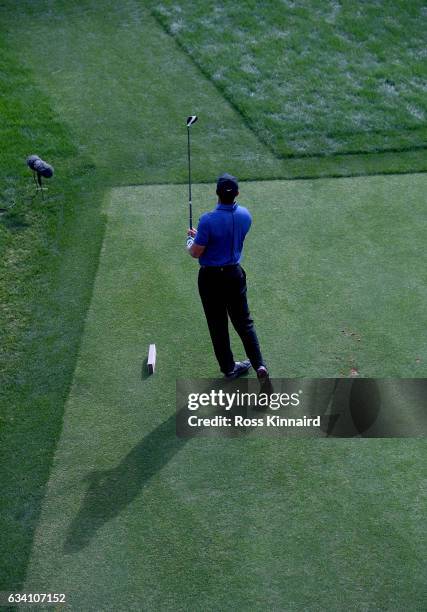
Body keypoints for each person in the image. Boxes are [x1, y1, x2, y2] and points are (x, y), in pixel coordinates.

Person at [186, 173, 268, 380]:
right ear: (237, 193)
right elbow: (225, 237)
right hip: (234, 275)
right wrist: (202, 236)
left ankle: (229, 369)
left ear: (217, 193)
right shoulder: (245, 215)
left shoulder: (207, 220)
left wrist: (192, 241)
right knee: (244, 323)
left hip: (210, 279)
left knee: (218, 324)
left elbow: (196, 252)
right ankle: (259, 364)